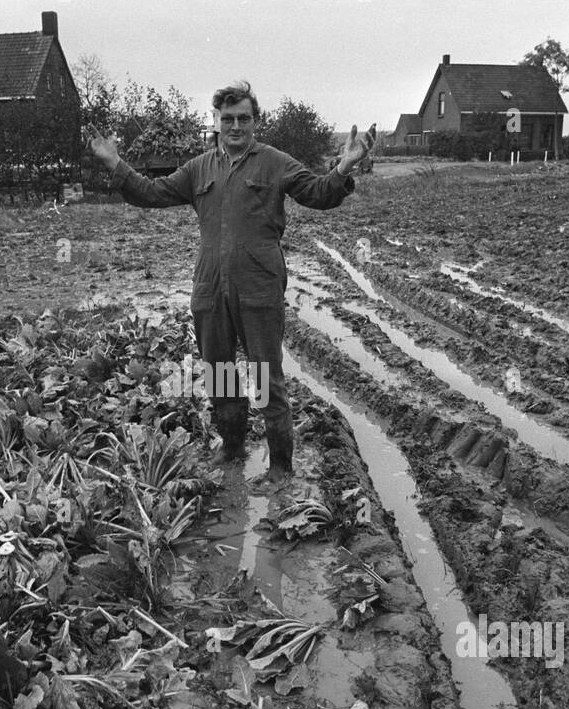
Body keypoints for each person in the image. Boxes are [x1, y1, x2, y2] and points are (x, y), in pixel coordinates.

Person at [86, 81, 375, 481]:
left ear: (255, 121)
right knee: (219, 372)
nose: (236, 126)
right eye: (228, 119)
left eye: (243, 118)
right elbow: (151, 192)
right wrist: (115, 163)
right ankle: (234, 447)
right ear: (217, 122)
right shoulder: (199, 168)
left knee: (264, 377)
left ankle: (280, 466)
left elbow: (317, 193)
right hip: (210, 287)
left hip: (259, 285)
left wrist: (343, 168)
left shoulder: (274, 162)